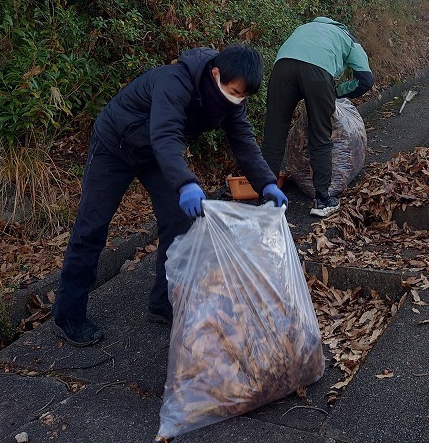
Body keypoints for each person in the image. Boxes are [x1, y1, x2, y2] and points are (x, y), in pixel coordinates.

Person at [51, 44, 287, 347]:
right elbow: (165, 133)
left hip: (155, 155)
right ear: (216, 73)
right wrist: (186, 183)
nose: (237, 99)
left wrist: (267, 183)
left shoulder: (231, 101)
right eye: (234, 91)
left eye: (243, 95)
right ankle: (67, 314)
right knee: (92, 226)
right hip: (115, 144)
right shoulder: (174, 80)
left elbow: (243, 140)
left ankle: (164, 301)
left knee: (179, 222)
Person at [262, 18, 374, 218]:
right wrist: (337, 92)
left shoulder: (304, 27)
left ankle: (266, 198)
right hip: (318, 73)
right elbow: (366, 79)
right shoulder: (347, 37)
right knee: (320, 134)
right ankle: (322, 200)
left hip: (282, 68)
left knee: (274, 133)